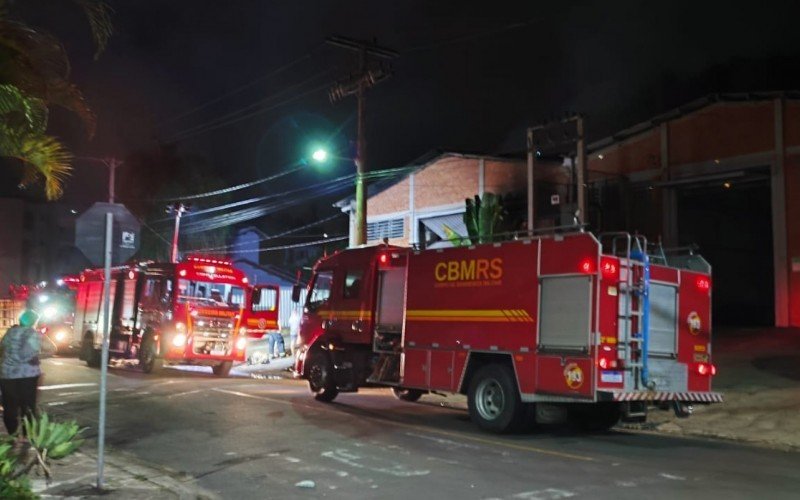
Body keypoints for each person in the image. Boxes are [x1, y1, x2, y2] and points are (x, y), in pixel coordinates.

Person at [0, 309, 55, 435]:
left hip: (7, 374)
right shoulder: (34, 334)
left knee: (9, 406)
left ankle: (12, 434)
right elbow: (52, 349)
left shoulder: (10, 332)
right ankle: (27, 435)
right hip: (28, 374)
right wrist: (38, 357)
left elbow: (2, 347)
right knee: (28, 405)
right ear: (34, 321)